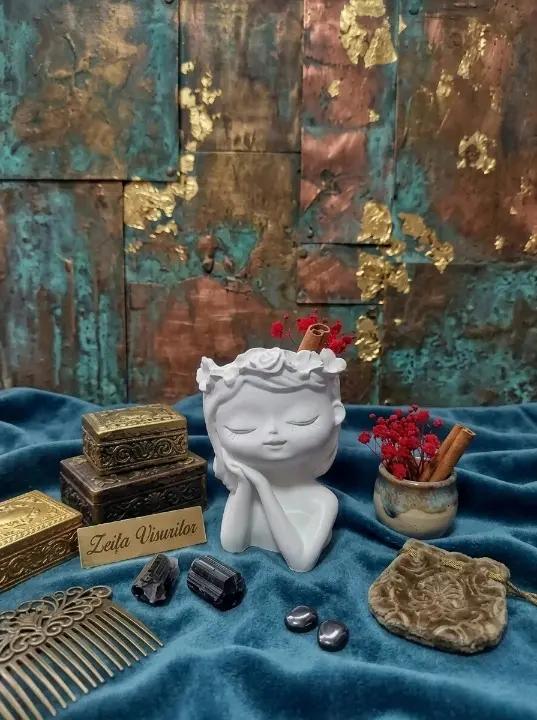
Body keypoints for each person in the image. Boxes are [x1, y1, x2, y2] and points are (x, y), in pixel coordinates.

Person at [197, 347, 346, 572]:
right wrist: (245, 486)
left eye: (301, 420)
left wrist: (263, 487)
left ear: (335, 413)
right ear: (215, 426)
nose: (272, 432)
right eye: (243, 427)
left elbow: (300, 562)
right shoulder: (244, 489)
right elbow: (232, 544)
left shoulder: (323, 501)